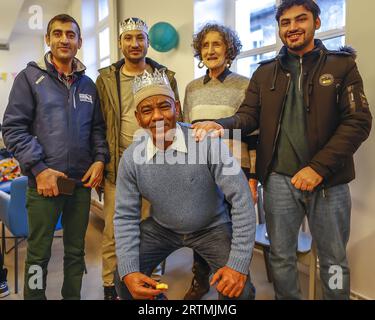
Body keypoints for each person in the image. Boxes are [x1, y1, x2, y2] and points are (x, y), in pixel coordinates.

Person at [192, 0, 372, 300]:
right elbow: (249, 116)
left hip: (329, 182)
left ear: (316, 22)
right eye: (285, 23)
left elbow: (358, 122)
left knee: (334, 261)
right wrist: (220, 125)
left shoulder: (341, 66)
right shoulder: (265, 73)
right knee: (280, 257)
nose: (292, 28)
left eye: (300, 20)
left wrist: (318, 168)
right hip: (278, 182)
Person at [113, 69, 256, 300]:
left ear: (177, 109)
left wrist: (238, 266)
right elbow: (124, 216)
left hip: (212, 227)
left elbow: (242, 201)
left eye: (164, 106)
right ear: (138, 118)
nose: (158, 116)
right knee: (123, 278)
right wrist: (129, 271)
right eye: (147, 110)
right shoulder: (131, 158)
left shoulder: (208, 144)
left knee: (240, 292)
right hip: (162, 229)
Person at [2, 14, 109, 300]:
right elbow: (13, 128)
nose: (64, 39)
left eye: (70, 34)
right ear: (47, 39)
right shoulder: (30, 78)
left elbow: (97, 129)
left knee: (76, 252)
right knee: (38, 255)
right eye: (58, 33)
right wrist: (39, 169)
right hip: (43, 185)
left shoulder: (88, 85)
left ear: (79, 41)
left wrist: (99, 160)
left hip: (80, 186)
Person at [96, 17, 181, 300]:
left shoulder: (166, 76)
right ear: (120, 43)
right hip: (119, 167)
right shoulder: (106, 79)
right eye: (128, 38)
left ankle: (149, 282)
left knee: (151, 231)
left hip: (156, 165)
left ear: (147, 41)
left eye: (139, 38)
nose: (134, 43)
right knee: (114, 231)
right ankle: (111, 285)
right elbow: (99, 123)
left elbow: (176, 119)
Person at [182, 23, 258, 300]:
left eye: (217, 44)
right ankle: (201, 280)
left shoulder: (245, 85)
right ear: (200, 51)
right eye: (205, 45)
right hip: (201, 173)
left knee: (236, 231)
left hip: (234, 171)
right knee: (201, 228)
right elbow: (187, 132)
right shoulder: (191, 88)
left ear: (229, 49)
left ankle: (237, 284)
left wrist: (251, 178)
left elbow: (253, 134)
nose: (211, 50)